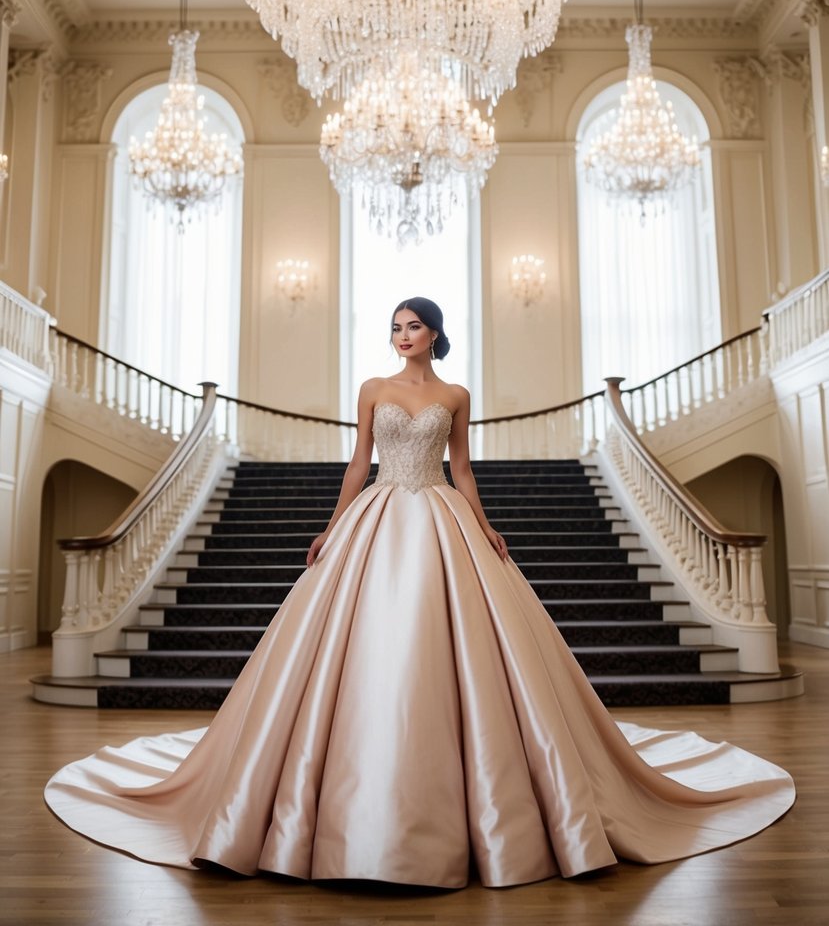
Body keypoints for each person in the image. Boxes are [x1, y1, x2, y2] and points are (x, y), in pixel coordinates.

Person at [45, 297, 794, 889]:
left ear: (434, 334)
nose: (400, 335)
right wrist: (330, 527)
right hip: (376, 514)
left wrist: (485, 525)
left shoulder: (456, 393)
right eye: (394, 326)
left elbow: (463, 468)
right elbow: (355, 464)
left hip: (438, 512)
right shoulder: (372, 388)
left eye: (411, 327)